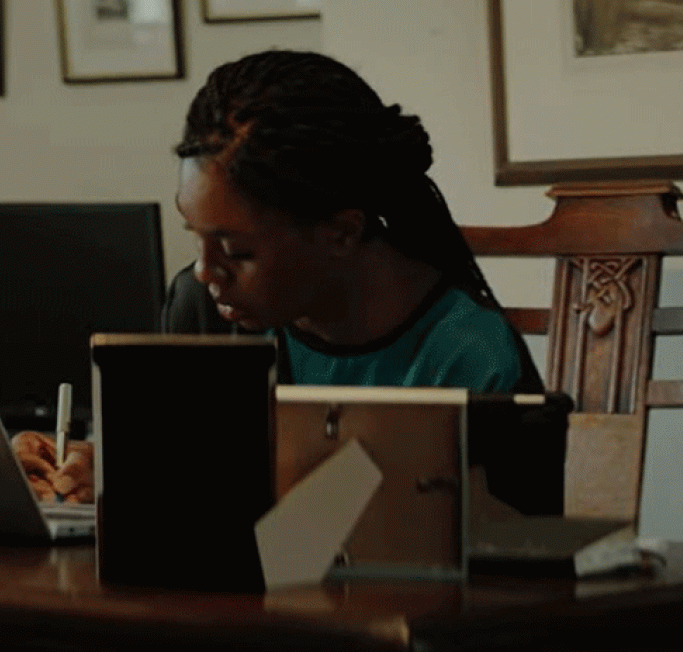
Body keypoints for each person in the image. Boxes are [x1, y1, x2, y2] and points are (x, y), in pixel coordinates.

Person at [165, 49, 564, 515]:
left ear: (343, 232)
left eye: (237, 251)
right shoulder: (202, 311)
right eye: (196, 237)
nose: (205, 271)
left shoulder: (470, 358)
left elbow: (517, 568)